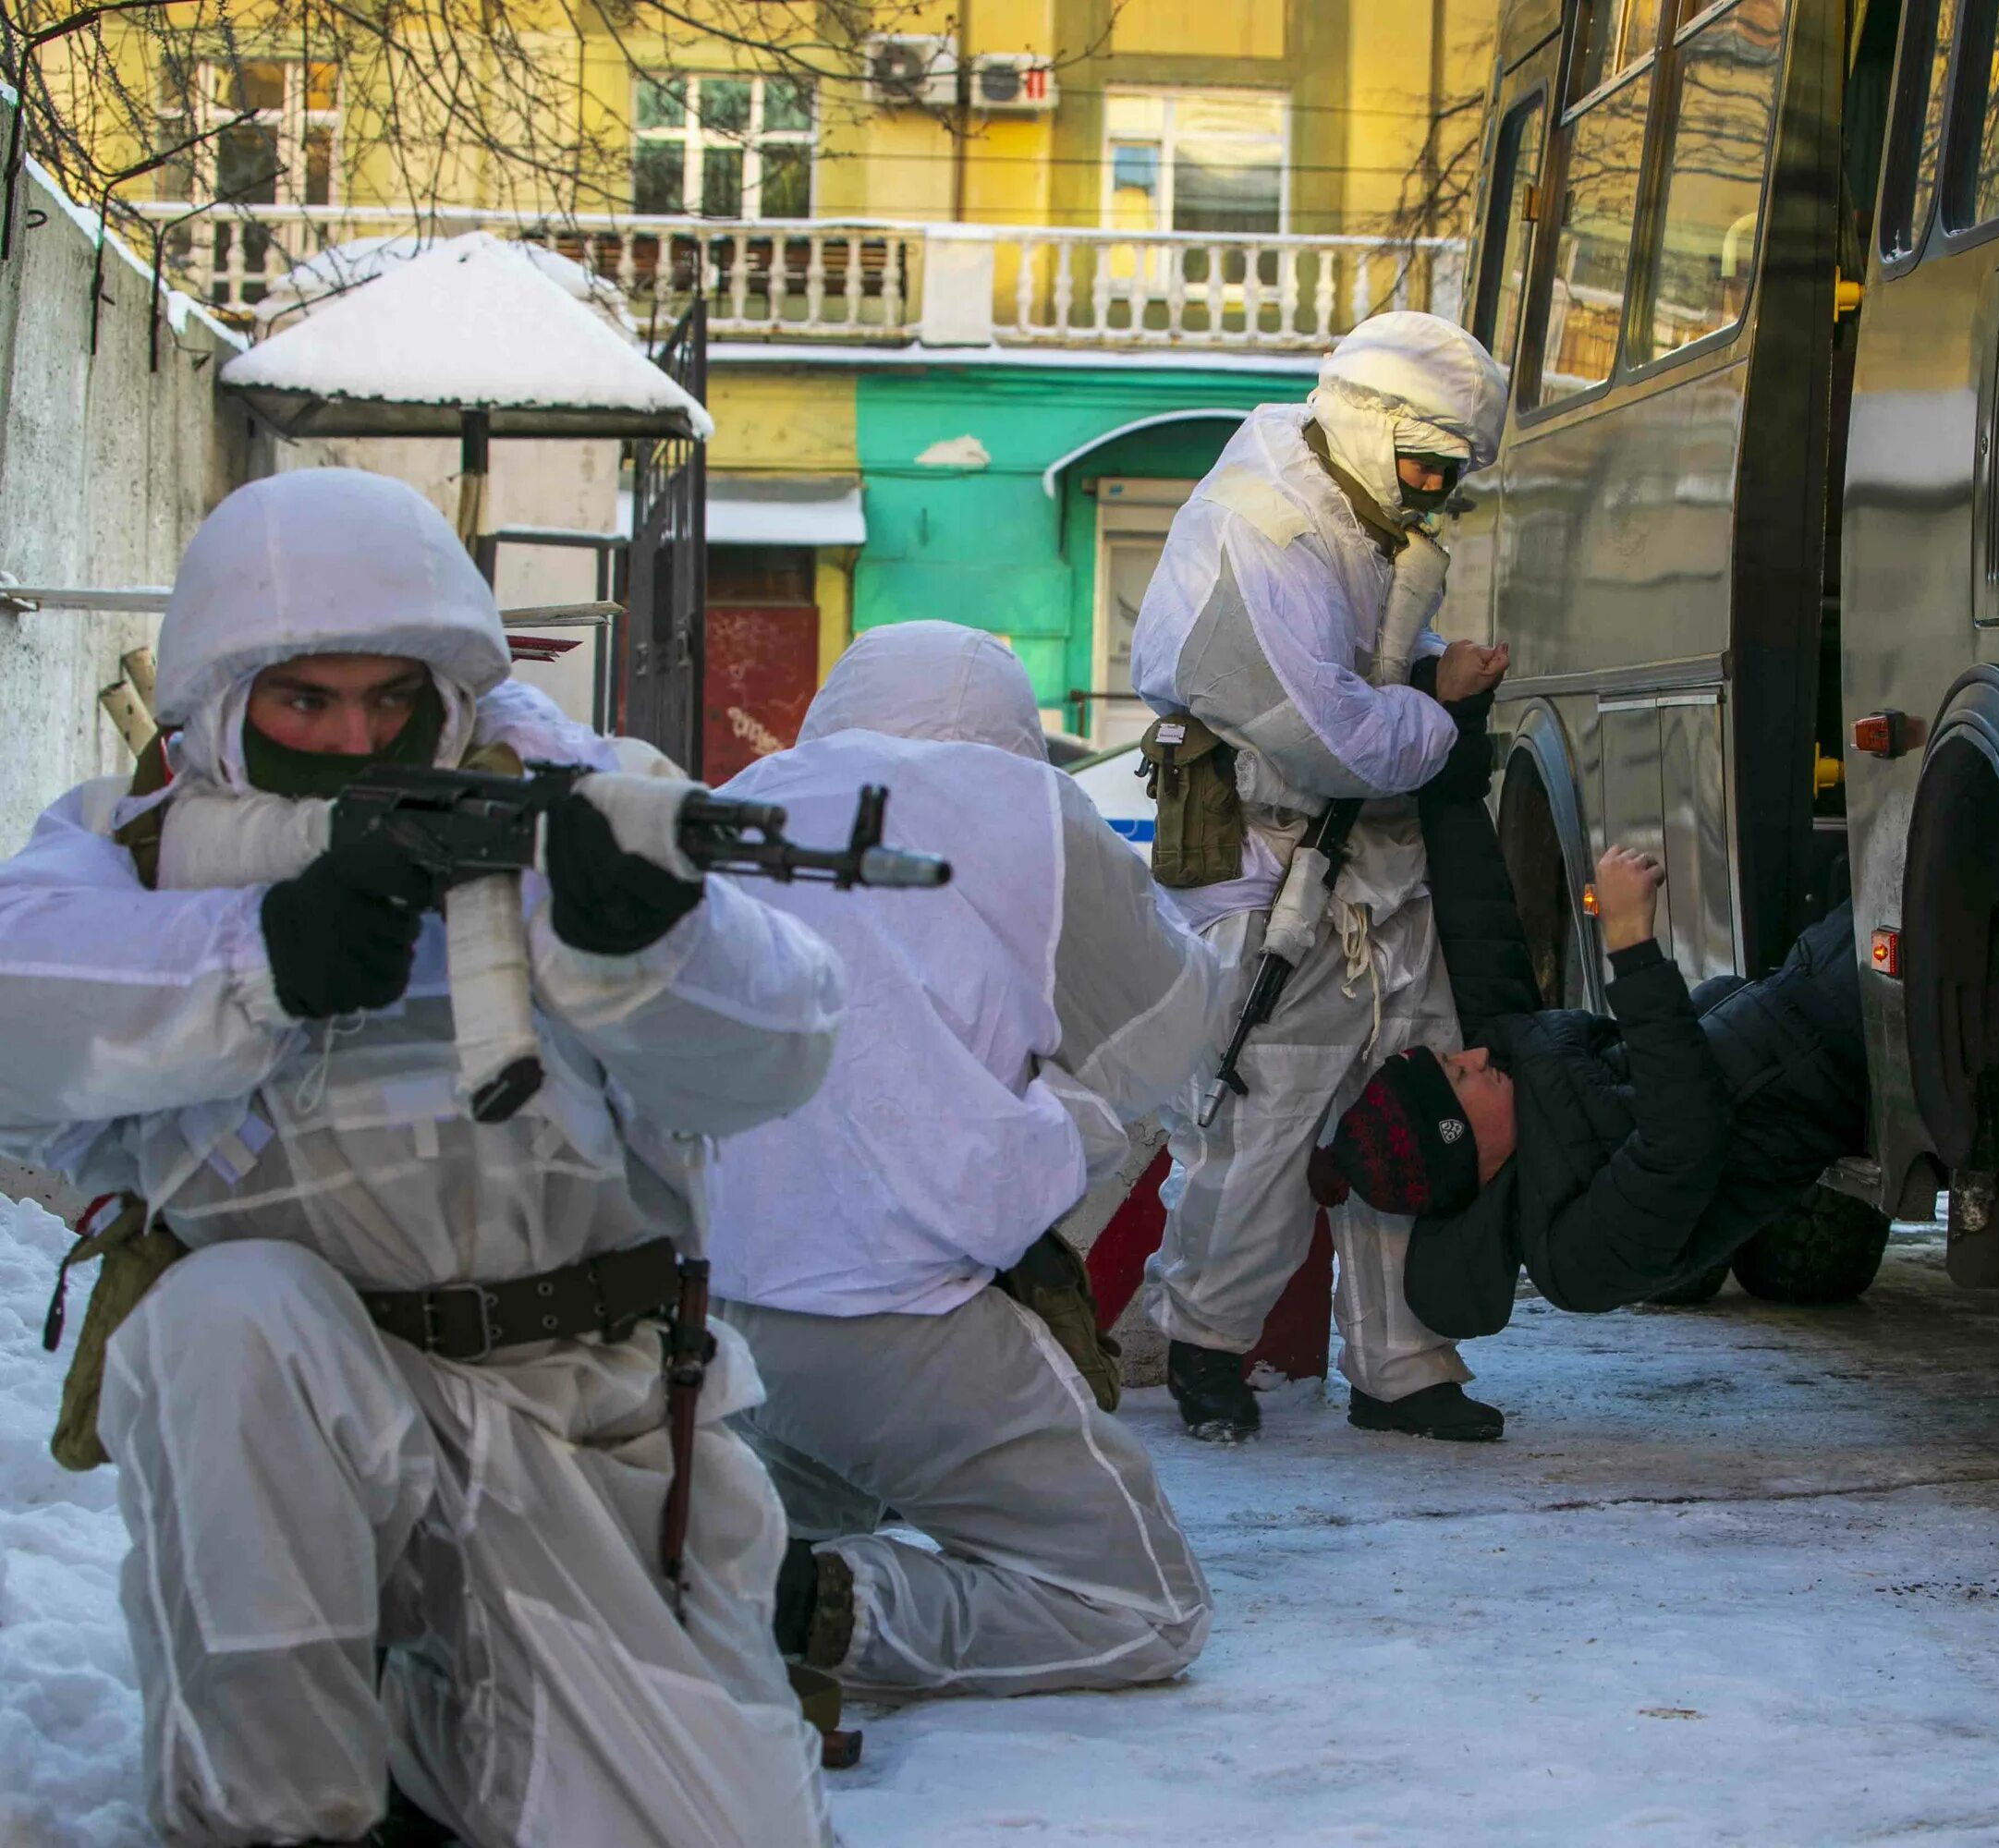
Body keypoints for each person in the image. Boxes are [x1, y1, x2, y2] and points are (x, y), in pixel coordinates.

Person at [0, 469, 847, 1848]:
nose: (356, 739)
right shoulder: (137, 851)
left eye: (394, 699)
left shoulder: (571, 809)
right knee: (224, 1322)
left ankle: (432, 1728)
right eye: (305, 703)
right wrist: (257, 955)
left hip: (579, 1433)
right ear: (222, 706)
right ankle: (276, 1813)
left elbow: (787, 1048)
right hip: (303, 1423)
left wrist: (655, 945)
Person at [702, 623, 1225, 1697]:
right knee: (1143, 1610)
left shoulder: (742, 797)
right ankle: (836, 1604)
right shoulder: (1027, 807)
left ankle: (743, 1577)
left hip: (719, 1307)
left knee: (797, 1491)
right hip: (903, 1323)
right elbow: (1172, 1029)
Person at [1127, 310, 1513, 1444]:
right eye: (1428, 466)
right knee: (1262, 1119)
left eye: (1452, 477)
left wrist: (1429, 676)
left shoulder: (1352, 511)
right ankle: (1206, 1341)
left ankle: (1400, 1362)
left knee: (1416, 1102)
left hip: (1371, 865)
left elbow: (1357, 686)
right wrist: (1438, 708)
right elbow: (1324, 730)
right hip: (1274, 871)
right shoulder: (1265, 525)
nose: (1434, 494)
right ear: (1370, 423)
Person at [1310, 675, 1871, 1338]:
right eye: (1459, 1076)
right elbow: (1684, 1139)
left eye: (1455, 1058)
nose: (1477, 1055)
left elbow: (1476, 913)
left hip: (1805, 986)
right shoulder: (1577, 1260)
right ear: (1461, 1147)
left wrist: (1456, 722)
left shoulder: (1514, 1067)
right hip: (1838, 1063)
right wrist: (1631, 947)